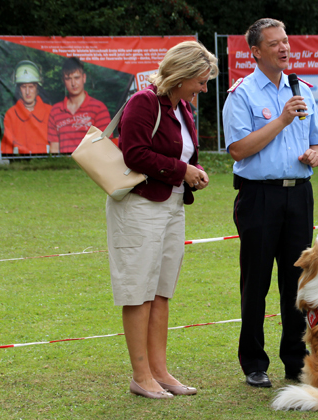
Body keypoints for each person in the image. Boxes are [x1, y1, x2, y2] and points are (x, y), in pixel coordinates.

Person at [106, 41, 218, 399]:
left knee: (161, 292)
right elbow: (134, 152)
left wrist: (193, 171)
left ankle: (160, 371)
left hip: (172, 205)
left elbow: (180, 154)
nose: (203, 88)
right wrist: (181, 170)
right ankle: (141, 376)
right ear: (182, 75)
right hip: (139, 207)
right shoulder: (144, 102)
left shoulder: (180, 106)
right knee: (138, 292)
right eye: (200, 81)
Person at [222, 18, 318, 388]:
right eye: (274, 44)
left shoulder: (302, 89)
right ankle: (253, 362)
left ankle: (295, 360)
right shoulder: (242, 94)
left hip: (298, 194)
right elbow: (238, 149)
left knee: (297, 281)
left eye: (285, 41)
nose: (284, 48)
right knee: (257, 281)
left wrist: (315, 154)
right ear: (255, 51)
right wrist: (282, 120)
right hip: (259, 196)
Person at [47, 57, 111, 153]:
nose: (73, 83)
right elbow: (54, 149)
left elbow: (106, 146)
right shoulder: (55, 111)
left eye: (76, 78)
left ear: (84, 78)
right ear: (63, 81)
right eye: (68, 79)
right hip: (64, 165)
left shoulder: (99, 108)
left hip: (90, 165)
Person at [1, 60, 52, 155]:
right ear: (19, 89)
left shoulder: (50, 112)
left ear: (37, 88)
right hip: (19, 164)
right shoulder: (11, 114)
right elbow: (6, 149)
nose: (27, 92)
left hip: (47, 164)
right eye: (24, 87)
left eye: (31, 87)